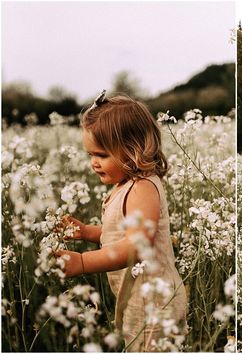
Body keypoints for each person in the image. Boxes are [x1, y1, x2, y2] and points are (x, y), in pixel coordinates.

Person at [56, 90, 187, 351]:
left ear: (133, 150)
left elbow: (136, 245)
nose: (94, 163)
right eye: (90, 155)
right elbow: (120, 233)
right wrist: (88, 233)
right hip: (139, 298)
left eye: (102, 155)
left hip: (156, 304)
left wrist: (83, 262)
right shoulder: (126, 185)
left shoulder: (143, 188)